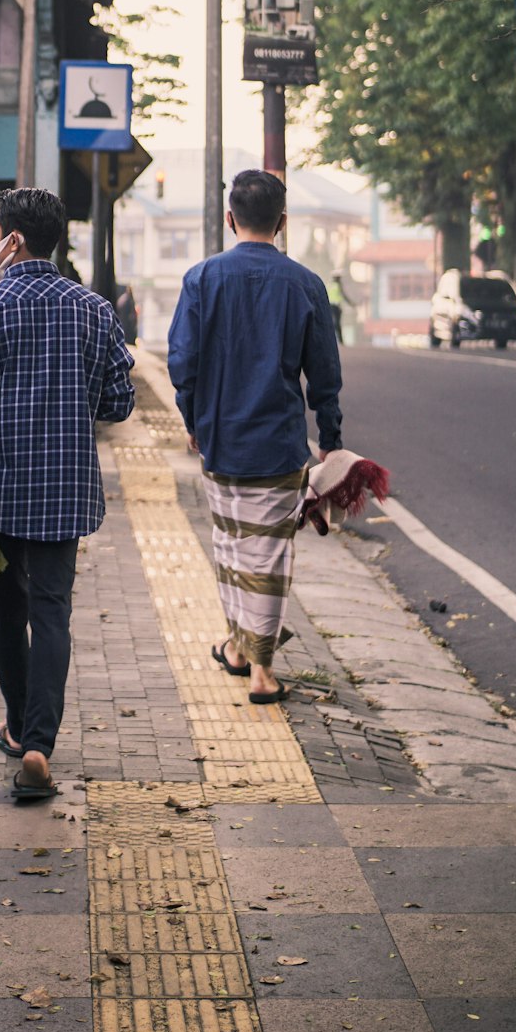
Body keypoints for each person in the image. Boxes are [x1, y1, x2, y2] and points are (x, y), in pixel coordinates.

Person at [0, 187, 134, 801]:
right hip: (65, 489)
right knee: (53, 612)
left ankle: (19, 729)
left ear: (12, 241)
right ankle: (40, 748)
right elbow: (119, 402)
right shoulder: (96, 311)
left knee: (9, 607)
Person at [167, 170, 342, 706]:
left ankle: (243, 653)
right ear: (282, 222)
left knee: (230, 548)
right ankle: (259, 670)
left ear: (229, 218)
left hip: (221, 441)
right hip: (280, 444)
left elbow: (183, 363)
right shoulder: (306, 283)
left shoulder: (201, 278)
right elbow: (325, 375)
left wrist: (194, 421)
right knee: (266, 558)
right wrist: (330, 439)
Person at [327, 271, 354, 343]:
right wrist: (351, 303)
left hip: (329, 306)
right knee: (337, 323)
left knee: (331, 323)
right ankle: (340, 341)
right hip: (336, 306)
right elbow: (344, 296)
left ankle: (331, 340)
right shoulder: (338, 286)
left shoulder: (329, 285)